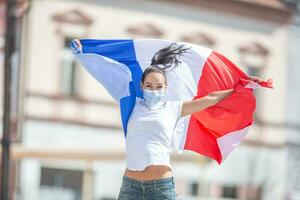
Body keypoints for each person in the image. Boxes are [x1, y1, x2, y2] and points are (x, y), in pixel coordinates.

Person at [73, 39, 262, 200]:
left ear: (165, 87)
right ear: (142, 85)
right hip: (130, 187)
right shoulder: (131, 103)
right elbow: (106, 73)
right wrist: (83, 51)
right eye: (149, 85)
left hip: (161, 187)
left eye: (158, 86)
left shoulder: (174, 108)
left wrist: (241, 86)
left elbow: (210, 99)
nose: (153, 90)